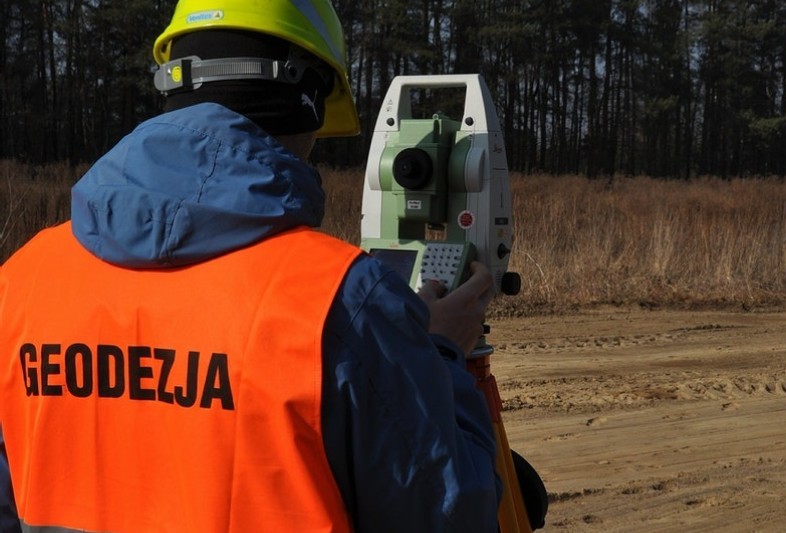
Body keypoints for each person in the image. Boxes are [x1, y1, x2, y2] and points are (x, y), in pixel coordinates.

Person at [0, 1, 501, 532]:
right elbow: (451, 513)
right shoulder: (344, 301)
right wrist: (441, 356)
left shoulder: (22, 280)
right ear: (306, 102)